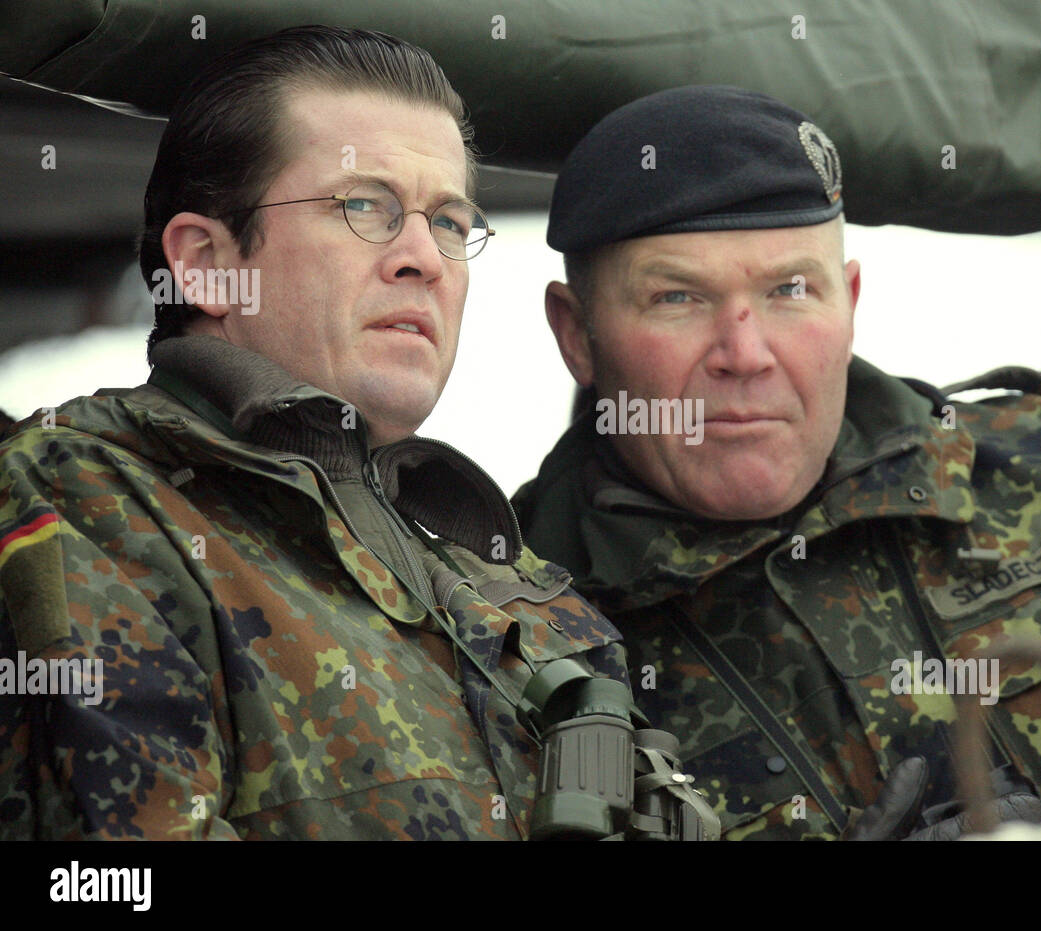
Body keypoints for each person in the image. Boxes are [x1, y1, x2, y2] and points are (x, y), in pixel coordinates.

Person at [512, 85, 1041, 840]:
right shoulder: (515, 638)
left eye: (790, 288)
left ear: (849, 301)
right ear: (576, 332)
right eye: (678, 297)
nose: (745, 354)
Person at [0, 26, 643, 841]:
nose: (425, 257)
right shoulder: (85, 497)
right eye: (365, 205)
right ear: (203, 261)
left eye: (449, 221)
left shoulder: (513, 581)